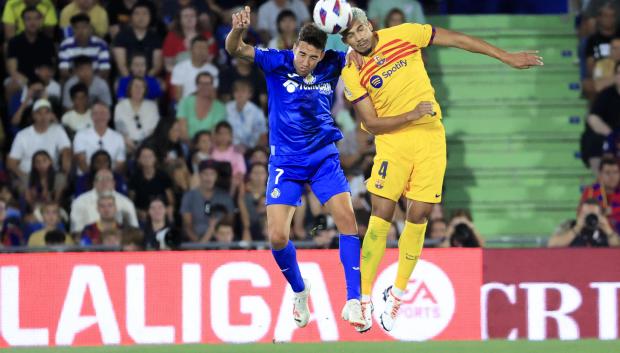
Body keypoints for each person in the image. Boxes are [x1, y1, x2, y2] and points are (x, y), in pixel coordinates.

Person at [340, 7, 542, 332]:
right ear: (346, 39)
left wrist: (505, 56)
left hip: (430, 137)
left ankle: (398, 296)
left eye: (361, 28)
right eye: (351, 35)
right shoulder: (351, 69)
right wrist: (409, 115)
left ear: (369, 24)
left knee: (419, 215)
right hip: (394, 140)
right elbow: (372, 123)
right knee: (382, 213)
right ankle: (362, 300)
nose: (359, 36)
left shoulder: (405, 34)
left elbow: (458, 39)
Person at [226, 7, 364, 329]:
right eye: (302, 55)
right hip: (285, 162)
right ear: (295, 47)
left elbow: (362, 45)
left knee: (347, 220)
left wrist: (355, 41)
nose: (306, 62)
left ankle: (354, 300)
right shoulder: (276, 62)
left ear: (321, 56)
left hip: (322, 157)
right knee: (276, 236)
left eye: (312, 58)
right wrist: (237, 31)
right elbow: (235, 49)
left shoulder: (333, 62)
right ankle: (300, 292)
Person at [7, 99, 71, 190]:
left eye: (46, 113)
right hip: (28, 174)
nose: (43, 117)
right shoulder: (22, 135)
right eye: (39, 113)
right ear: (33, 115)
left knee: (61, 181)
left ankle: (54, 203)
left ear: (51, 115)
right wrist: (23, 176)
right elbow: (11, 162)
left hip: (51, 174)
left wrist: (65, 167)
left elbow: (66, 150)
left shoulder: (58, 130)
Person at [4, 6, 56, 102]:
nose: (33, 22)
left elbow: (51, 68)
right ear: (23, 21)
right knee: (11, 85)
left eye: (36, 19)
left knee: (54, 87)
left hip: (43, 79)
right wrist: (29, 83)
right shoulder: (14, 42)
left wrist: (42, 81)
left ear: (41, 21)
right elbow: (12, 71)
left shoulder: (47, 42)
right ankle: (12, 116)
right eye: (28, 19)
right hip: (22, 79)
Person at [180, 159, 234, 242]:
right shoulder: (189, 196)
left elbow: (230, 222)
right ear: (199, 175)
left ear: (216, 176)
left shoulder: (224, 196)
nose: (209, 178)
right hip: (196, 242)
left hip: (221, 242)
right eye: (205, 174)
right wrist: (199, 244)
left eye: (212, 174)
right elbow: (187, 226)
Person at [70, 168, 138, 233]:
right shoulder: (79, 202)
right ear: (94, 183)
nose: (104, 182)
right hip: (89, 241)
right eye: (100, 179)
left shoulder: (126, 202)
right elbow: (76, 231)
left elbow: (134, 229)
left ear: (113, 183)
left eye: (108, 179)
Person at [582, 62, 620, 171]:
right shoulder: (606, 94)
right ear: (615, 76)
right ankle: (601, 179)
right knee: (592, 139)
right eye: (619, 73)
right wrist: (612, 135)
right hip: (610, 134)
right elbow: (593, 118)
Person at [73, 101, 126, 174]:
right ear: (91, 116)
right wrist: (95, 178)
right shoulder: (80, 135)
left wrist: (107, 178)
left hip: (110, 177)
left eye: (103, 113)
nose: (100, 117)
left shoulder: (118, 137)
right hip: (87, 176)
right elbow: (81, 161)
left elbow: (120, 164)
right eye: (96, 113)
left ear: (109, 116)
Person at [112, 1, 163, 77]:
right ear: (131, 17)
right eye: (137, 13)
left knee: (161, 85)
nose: (141, 17)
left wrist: (144, 81)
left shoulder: (156, 37)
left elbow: (157, 66)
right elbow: (121, 65)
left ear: (150, 17)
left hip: (149, 77)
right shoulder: (121, 36)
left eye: (145, 13)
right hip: (126, 76)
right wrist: (131, 81)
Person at [162, 5, 218, 73]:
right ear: (179, 19)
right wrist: (184, 74)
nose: (189, 19)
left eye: (192, 16)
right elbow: (168, 65)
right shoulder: (171, 37)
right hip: (179, 75)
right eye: (185, 16)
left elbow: (209, 61)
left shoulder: (207, 36)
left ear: (197, 18)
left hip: (202, 74)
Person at [128, 145, 175, 222]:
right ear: (139, 159)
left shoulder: (163, 176)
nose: (147, 159)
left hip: (161, 212)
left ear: (155, 158)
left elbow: (171, 200)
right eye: (144, 156)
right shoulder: (134, 179)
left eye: (150, 156)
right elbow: (131, 201)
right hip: (143, 215)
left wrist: (168, 209)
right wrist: (138, 212)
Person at [549, 198, 620, 247]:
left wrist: (608, 230)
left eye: (593, 215)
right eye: (586, 214)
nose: (590, 218)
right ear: (579, 214)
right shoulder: (569, 225)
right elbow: (552, 244)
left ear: (600, 215)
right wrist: (576, 228)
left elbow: (617, 251)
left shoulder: (606, 227)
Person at [58, 13, 110, 80]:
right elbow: (64, 71)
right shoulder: (65, 45)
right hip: (73, 80)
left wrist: (89, 81)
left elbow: (105, 70)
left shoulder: (101, 44)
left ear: (90, 28)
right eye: (77, 28)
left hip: (95, 80)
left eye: (84, 27)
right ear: (72, 30)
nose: (81, 31)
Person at [114, 77, 160, 152]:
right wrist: (129, 143)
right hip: (126, 144)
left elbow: (155, 129)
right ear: (130, 89)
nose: (138, 89)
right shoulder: (120, 106)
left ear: (145, 90)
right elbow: (119, 128)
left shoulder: (152, 106)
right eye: (135, 86)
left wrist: (143, 145)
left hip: (147, 145)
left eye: (141, 87)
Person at [176, 72, 226, 141]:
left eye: (208, 84)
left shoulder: (220, 107)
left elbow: (214, 134)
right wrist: (192, 146)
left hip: (209, 146)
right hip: (186, 143)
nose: (204, 87)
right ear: (196, 85)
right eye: (201, 84)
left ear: (212, 86)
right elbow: (182, 130)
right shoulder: (185, 103)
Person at [171, 35, 219, 101]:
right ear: (191, 50)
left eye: (204, 48)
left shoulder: (213, 70)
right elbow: (178, 96)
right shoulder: (179, 68)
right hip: (186, 105)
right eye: (199, 47)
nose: (201, 51)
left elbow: (213, 96)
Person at [579, 157, 620, 232]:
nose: (612, 176)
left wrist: (612, 210)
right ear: (600, 175)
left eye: (616, 172)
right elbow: (580, 215)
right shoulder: (591, 191)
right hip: (598, 235)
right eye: (607, 173)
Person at [225, 79, 267, 150]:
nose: (240, 94)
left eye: (243, 91)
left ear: (249, 94)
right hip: (229, 148)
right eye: (237, 91)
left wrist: (248, 148)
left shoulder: (257, 112)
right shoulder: (227, 108)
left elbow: (263, 137)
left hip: (251, 149)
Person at [238, 163, 268, 242]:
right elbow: (244, 216)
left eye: (262, 173)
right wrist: (246, 229)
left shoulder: (272, 192)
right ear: (250, 175)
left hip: (267, 228)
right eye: (255, 173)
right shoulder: (244, 193)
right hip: (249, 227)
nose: (259, 176)